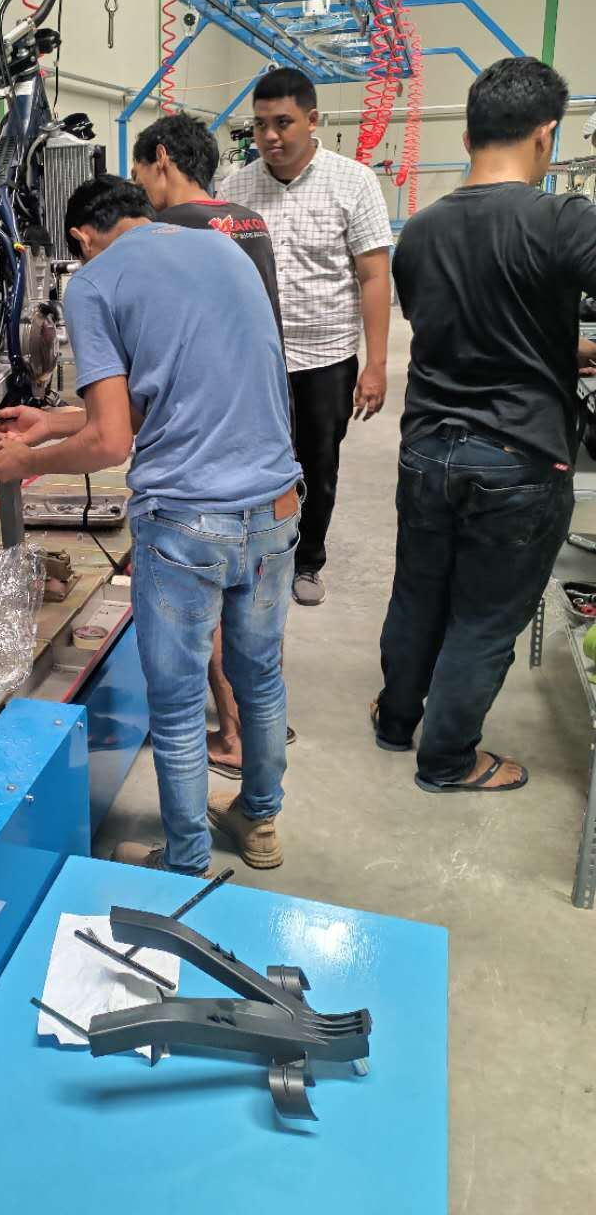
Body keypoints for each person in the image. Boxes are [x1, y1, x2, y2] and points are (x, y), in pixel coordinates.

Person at [0, 174, 301, 873]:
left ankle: (183, 861)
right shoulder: (221, 251)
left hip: (188, 523)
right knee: (262, 679)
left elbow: (109, 444)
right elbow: (173, 397)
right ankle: (260, 820)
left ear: (79, 239)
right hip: (275, 507)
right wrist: (50, 421)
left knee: (180, 704)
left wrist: (19, 463)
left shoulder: (93, 284)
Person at [374, 56, 596, 793]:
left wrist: (566, 345)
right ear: (546, 133)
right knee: (483, 617)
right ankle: (447, 759)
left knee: (418, 592)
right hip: (519, 458)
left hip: (428, 450)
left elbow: (470, 326)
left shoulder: (421, 232)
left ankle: (396, 720)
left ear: (470, 132)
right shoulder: (562, 219)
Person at [131, 111, 295, 782]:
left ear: (162, 159)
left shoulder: (174, 233)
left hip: (206, 447)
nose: (142, 190)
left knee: (214, 606)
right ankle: (255, 737)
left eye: (142, 173)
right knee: (255, 619)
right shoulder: (245, 221)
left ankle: (227, 733)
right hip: (263, 425)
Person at [219, 68, 393, 606]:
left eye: (284, 123)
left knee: (318, 464)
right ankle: (254, 555)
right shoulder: (236, 189)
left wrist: (376, 364)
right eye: (261, 125)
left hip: (326, 358)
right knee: (249, 460)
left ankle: (307, 559)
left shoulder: (354, 182)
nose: (271, 136)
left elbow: (373, 275)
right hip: (255, 360)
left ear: (313, 120)